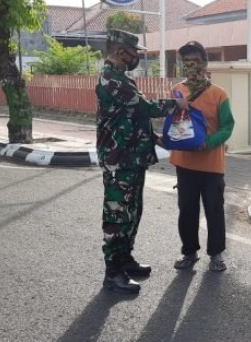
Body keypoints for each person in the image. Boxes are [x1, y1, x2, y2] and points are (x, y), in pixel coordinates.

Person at [97, 29, 188, 294]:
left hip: (132, 157)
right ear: (120, 51)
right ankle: (112, 272)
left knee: (133, 212)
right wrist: (177, 104)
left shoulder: (121, 78)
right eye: (134, 52)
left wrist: (154, 137)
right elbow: (144, 108)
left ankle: (125, 260)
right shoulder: (110, 79)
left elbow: (133, 117)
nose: (136, 57)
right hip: (118, 161)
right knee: (117, 215)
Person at [170, 41, 235, 272]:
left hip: (211, 164)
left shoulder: (219, 94)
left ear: (205, 64)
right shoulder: (177, 90)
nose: (191, 66)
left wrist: (209, 143)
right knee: (187, 209)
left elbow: (228, 126)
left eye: (195, 61)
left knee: (214, 209)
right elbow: (175, 123)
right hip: (184, 162)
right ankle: (189, 252)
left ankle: (216, 254)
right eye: (186, 62)